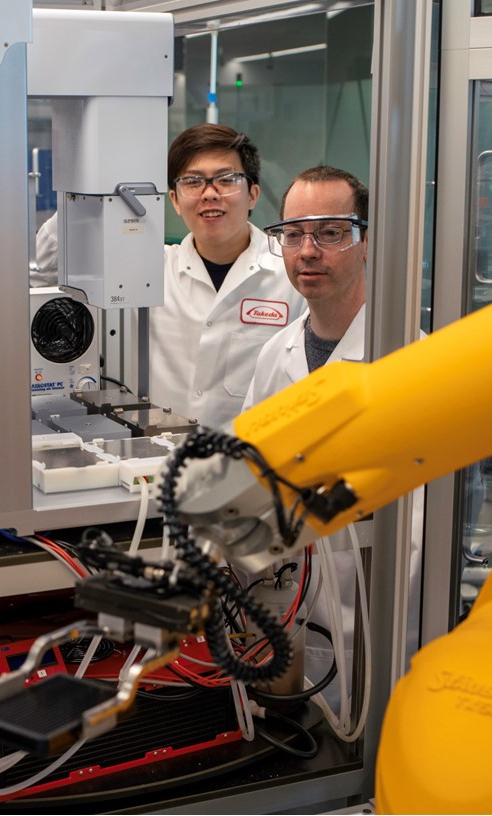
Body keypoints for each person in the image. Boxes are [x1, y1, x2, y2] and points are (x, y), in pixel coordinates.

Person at [241, 164, 424, 713]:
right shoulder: (278, 353)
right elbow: (253, 473)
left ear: (367, 242)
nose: (308, 250)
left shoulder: (406, 359)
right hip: (290, 621)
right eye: (293, 234)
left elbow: (415, 535)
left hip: (377, 632)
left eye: (331, 232)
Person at [33, 124, 305, 428]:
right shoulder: (150, 267)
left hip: (251, 463)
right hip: (158, 458)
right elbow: (51, 259)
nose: (210, 193)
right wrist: (94, 172)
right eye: (193, 181)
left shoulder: (292, 274)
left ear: (253, 194)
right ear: (174, 200)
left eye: (227, 179)